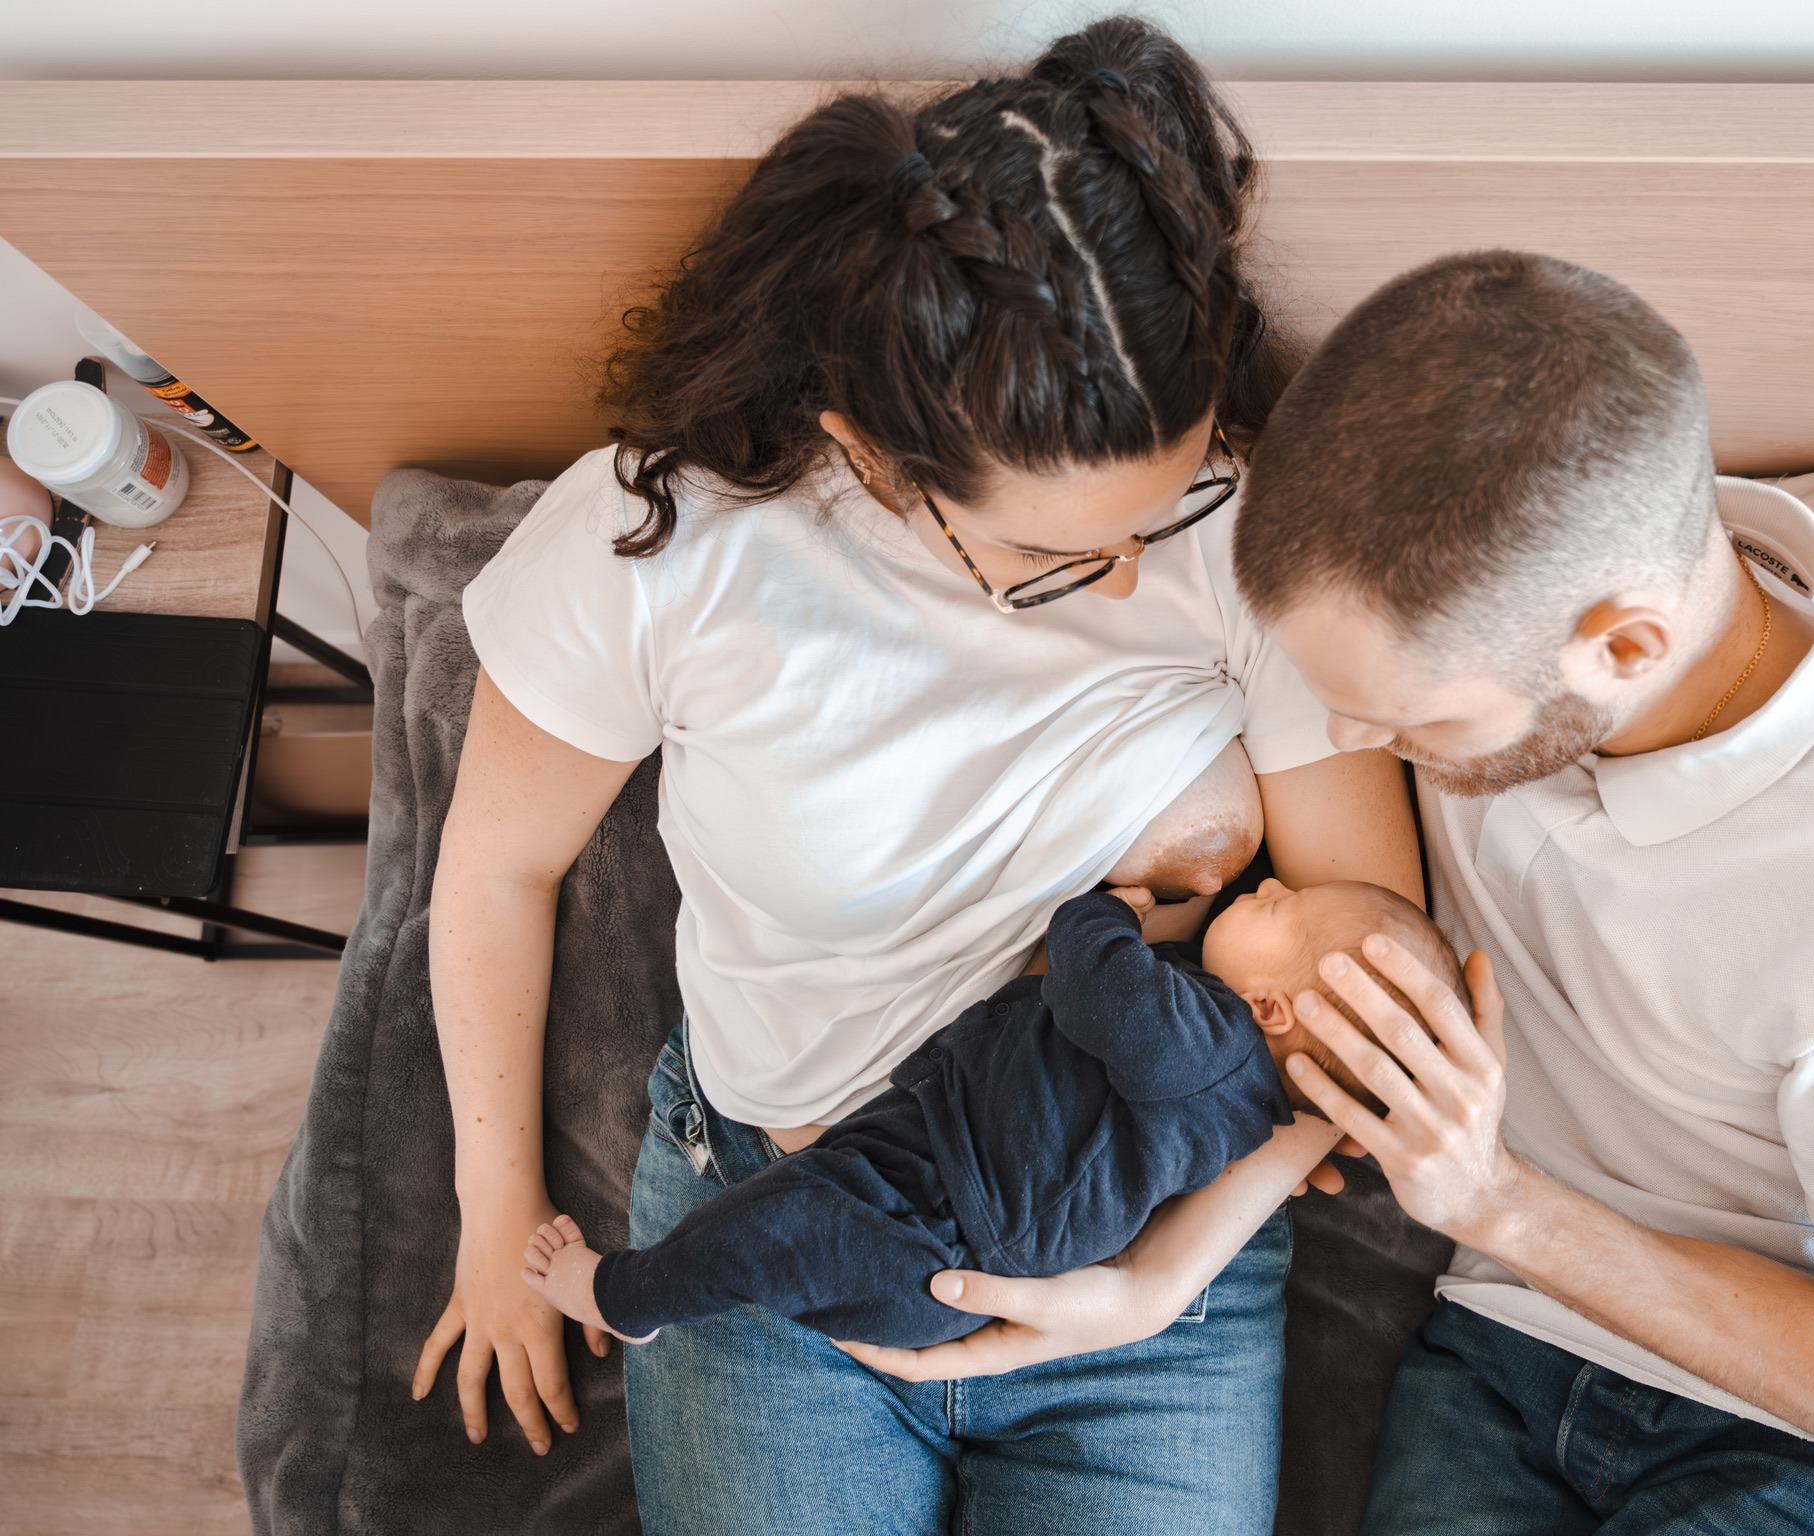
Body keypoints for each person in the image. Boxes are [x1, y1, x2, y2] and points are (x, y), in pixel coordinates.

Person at [409, 18, 1421, 1535]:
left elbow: (1367, 957)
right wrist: (498, 1217)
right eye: (1062, 555)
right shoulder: (665, 546)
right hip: (779, 1215)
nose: (1140, 582)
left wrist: (1163, 1278)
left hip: (1150, 1238)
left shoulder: (1261, 538)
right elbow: (497, 866)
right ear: (875, 458)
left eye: (1174, 500)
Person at [1218, 250, 1814, 1531]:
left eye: (1410, 723)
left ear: (1625, 647)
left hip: (1796, 1426)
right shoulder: (1505, 600)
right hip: (1507, 1333)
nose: (1352, 747)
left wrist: (1496, 1200)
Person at [516, 873, 1461, 1349]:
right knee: (789, 1226)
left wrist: (1104, 911)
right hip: (950, 1201)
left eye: (1282, 910)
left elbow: (1096, 988)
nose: (1269, 884)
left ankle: (624, 1298)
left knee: (770, 1232)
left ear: (1272, 1011)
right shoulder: (1231, 1089)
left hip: (942, 1223)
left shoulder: (1201, 1043)